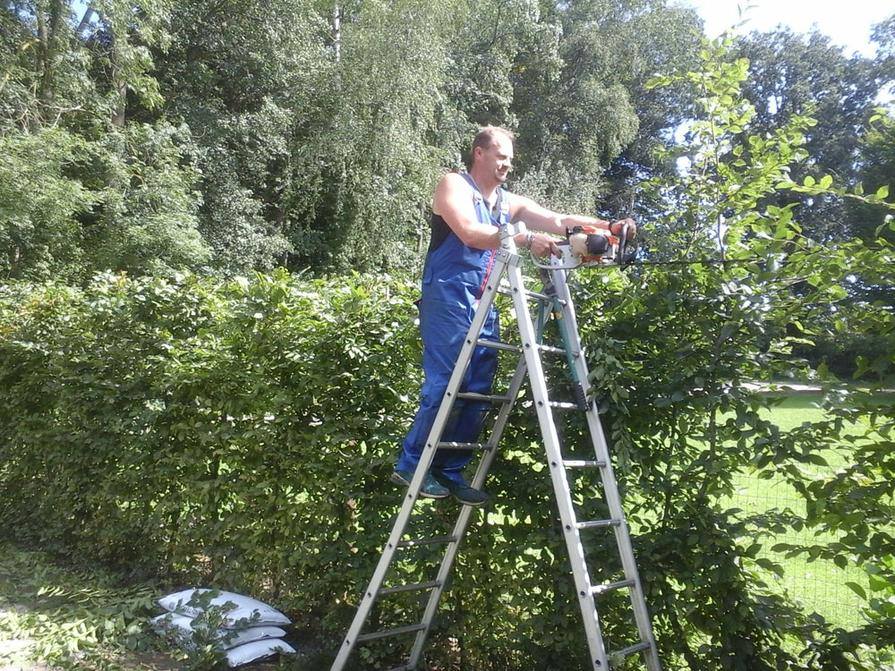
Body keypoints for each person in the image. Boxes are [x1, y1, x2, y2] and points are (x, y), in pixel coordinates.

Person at [392, 125, 635, 506]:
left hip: (484, 298)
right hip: (447, 295)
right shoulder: (453, 186)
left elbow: (558, 220)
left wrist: (607, 226)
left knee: (477, 389)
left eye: (510, 158)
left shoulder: (507, 202)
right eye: (501, 155)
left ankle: (449, 472)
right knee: (446, 383)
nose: (507, 164)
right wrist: (521, 238)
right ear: (479, 153)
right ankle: (410, 465)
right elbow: (471, 233)